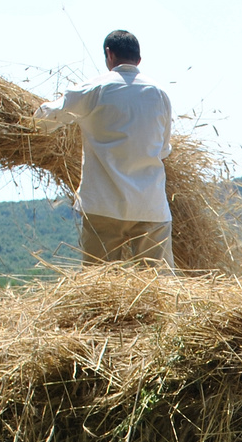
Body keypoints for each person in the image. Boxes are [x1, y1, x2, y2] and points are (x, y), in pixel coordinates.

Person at [35, 30, 175, 267]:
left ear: (109, 55)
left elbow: (45, 120)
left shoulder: (94, 89)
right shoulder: (159, 95)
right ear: (138, 60)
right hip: (150, 206)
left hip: (104, 205)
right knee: (158, 289)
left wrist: (32, 113)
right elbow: (163, 150)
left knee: (101, 288)